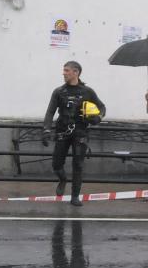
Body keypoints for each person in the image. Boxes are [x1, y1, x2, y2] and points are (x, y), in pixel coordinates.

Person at [42, 61, 106, 207]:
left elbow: (102, 107)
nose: (63, 73)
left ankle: (75, 196)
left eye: (67, 70)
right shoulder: (58, 91)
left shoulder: (87, 91)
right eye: (64, 70)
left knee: (78, 164)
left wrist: (98, 118)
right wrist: (46, 130)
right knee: (56, 164)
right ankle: (63, 179)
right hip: (62, 131)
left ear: (76, 72)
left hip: (80, 132)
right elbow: (50, 112)